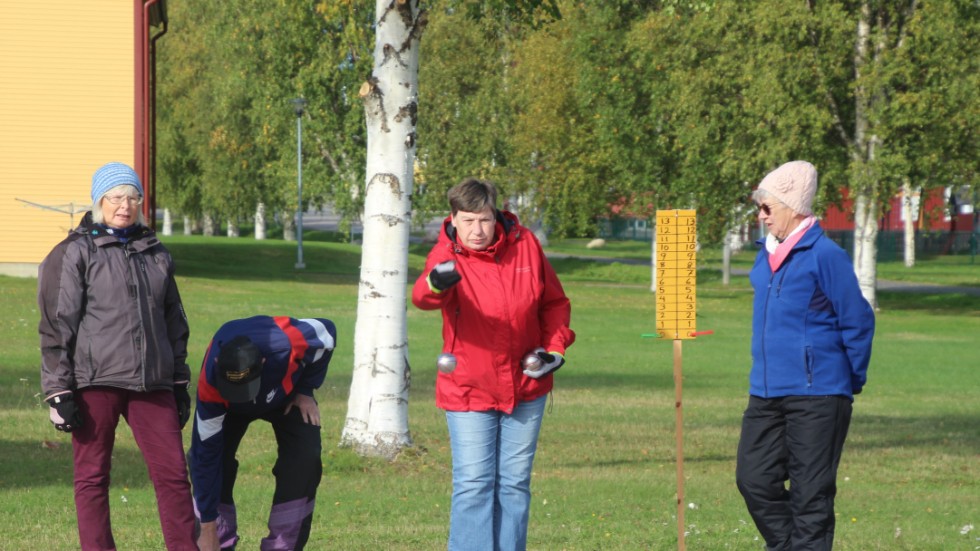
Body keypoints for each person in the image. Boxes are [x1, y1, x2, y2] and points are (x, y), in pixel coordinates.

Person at [37, 161, 198, 550]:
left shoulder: (156, 252)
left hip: (152, 383)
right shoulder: (75, 252)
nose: (124, 205)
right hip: (95, 382)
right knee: (92, 477)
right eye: (115, 197)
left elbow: (174, 321)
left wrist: (178, 382)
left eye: (132, 197)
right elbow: (58, 323)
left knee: (174, 476)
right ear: (99, 202)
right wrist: (58, 390)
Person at [411, 178, 575, 551]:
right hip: (468, 388)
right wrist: (436, 284)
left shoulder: (526, 246)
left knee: (514, 484)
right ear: (453, 219)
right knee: (473, 484)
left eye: (483, 219)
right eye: (467, 221)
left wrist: (555, 351)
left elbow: (554, 304)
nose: (477, 230)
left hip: (526, 387)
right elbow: (423, 296)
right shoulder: (447, 255)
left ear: (496, 215)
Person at [736, 161, 876, 551]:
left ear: (793, 206)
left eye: (767, 208)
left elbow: (858, 320)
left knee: (810, 495)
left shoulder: (824, 255)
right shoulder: (765, 255)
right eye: (758, 208)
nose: (761, 216)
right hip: (765, 391)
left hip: (819, 393)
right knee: (754, 480)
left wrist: (851, 380)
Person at [189, 315, 337, 551]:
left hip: (285, 395)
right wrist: (207, 529)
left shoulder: (288, 341)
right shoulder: (212, 385)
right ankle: (218, 540)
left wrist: (306, 389)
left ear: (265, 362)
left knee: (305, 460)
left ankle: (282, 545)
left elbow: (327, 334)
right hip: (228, 408)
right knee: (216, 463)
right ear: (217, 363)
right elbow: (203, 459)